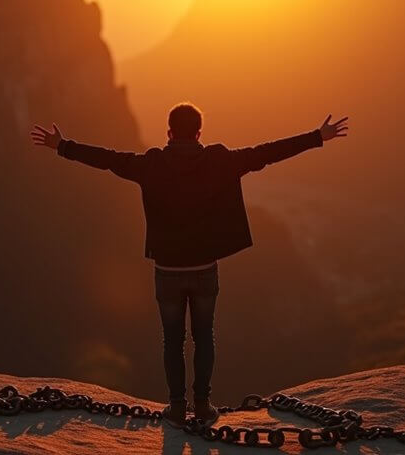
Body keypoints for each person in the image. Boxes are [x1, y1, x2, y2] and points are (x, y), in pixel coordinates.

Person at [30, 103, 348, 428]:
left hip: (167, 271)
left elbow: (109, 159)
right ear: (199, 133)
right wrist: (316, 137)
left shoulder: (151, 164)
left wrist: (63, 146)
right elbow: (265, 154)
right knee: (204, 336)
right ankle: (203, 405)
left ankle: (177, 407)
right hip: (204, 268)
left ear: (169, 132)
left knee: (172, 340)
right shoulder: (219, 160)